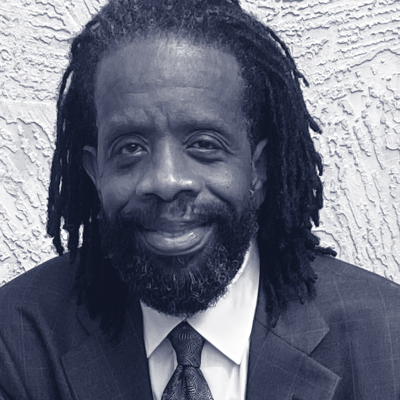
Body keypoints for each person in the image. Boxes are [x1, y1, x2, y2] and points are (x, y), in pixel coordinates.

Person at [1, 0, 400, 399]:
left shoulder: (387, 337)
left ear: (258, 169)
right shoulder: (16, 340)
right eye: (130, 148)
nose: (166, 181)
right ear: (94, 173)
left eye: (204, 144)